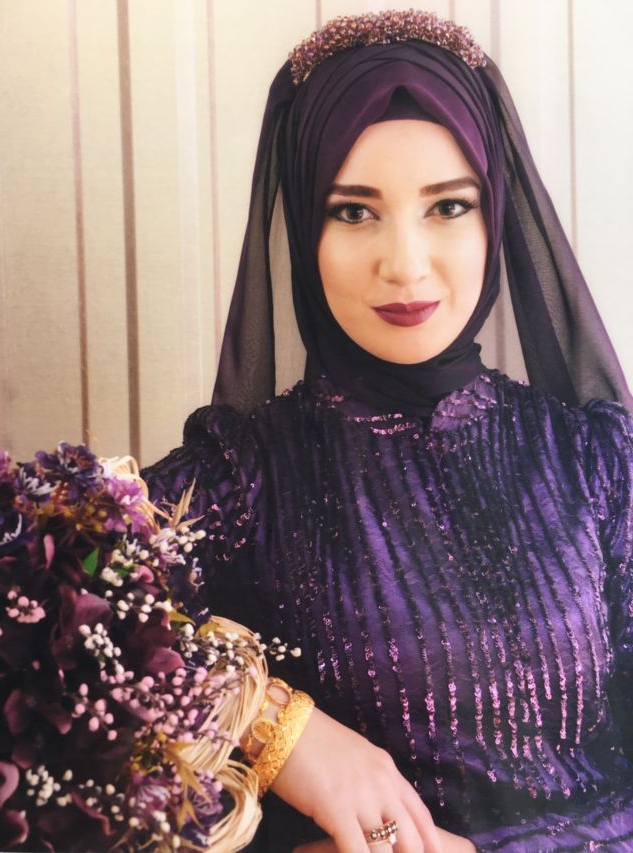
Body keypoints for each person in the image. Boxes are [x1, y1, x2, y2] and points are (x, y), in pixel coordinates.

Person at [143, 10, 633, 852]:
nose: (405, 264)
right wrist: (277, 727)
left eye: (449, 205)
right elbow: (38, 623)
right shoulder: (239, 481)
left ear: (496, 215)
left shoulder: (594, 461)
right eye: (353, 212)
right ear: (304, 225)